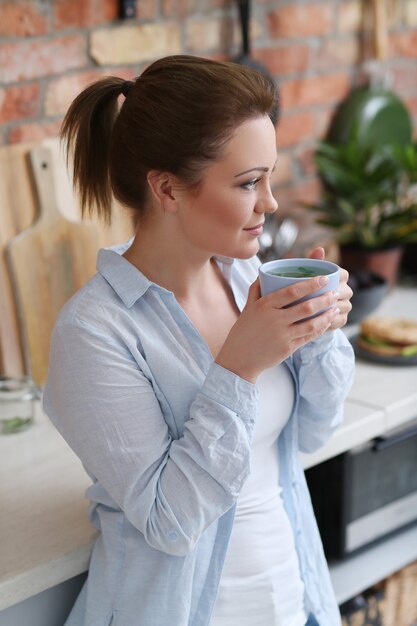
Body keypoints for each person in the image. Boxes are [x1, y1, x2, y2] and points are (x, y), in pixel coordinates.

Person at [43, 55, 355, 626]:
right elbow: (169, 520)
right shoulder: (95, 332)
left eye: (270, 176)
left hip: (295, 599)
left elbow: (313, 432)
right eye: (247, 183)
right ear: (165, 188)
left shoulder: (247, 279)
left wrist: (318, 332)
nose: (271, 202)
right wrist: (237, 368)